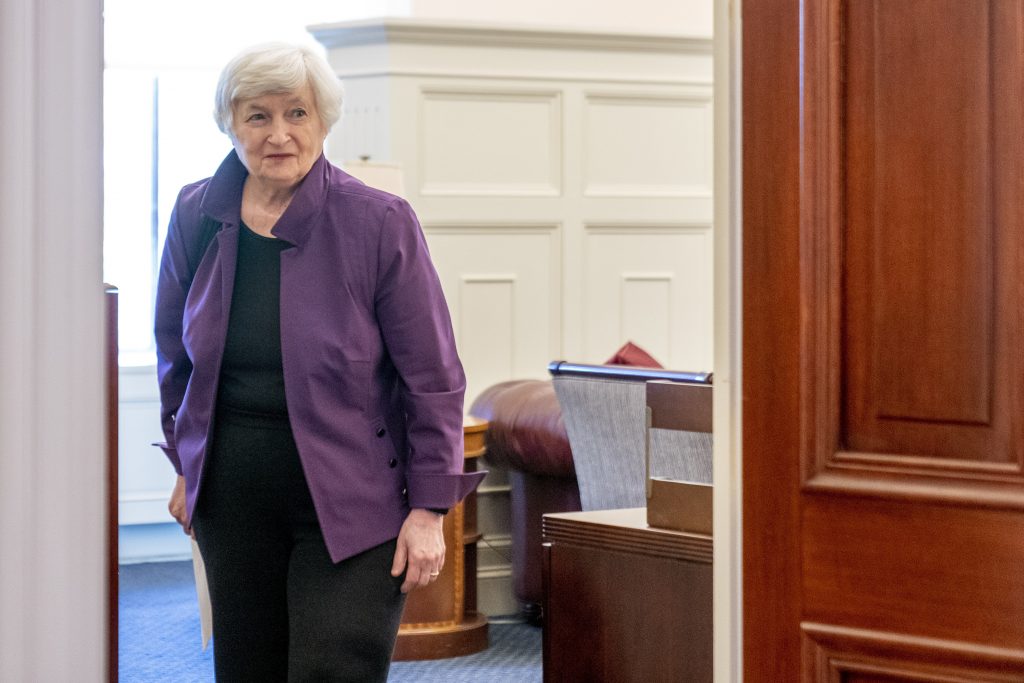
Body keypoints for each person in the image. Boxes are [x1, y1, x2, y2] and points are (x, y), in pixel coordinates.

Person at [154, 42, 484, 682]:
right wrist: (185, 463)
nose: (279, 134)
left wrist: (430, 510)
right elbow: (176, 354)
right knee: (248, 670)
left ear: (324, 122)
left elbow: (434, 378)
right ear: (231, 123)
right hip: (233, 495)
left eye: (296, 113)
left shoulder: (379, 222)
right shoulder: (197, 213)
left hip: (354, 499)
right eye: (258, 116)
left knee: (334, 670)